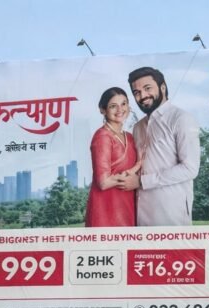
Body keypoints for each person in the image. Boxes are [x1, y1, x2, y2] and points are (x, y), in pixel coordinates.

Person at [118, 66, 200, 226]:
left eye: (147, 88)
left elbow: (190, 168)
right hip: (141, 217)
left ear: (162, 87)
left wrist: (142, 181)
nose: (142, 96)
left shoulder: (181, 118)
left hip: (171, 215)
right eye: (136, 92)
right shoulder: (138, 127)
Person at [85, 87, 140, 227]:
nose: (120, 109)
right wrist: (137, 166)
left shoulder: (129, 137)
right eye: (113, 106)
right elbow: (103, 183)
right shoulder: (102, 136)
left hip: (127, 203)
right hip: (106, 207)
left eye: (124, 104)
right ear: (102, 110)